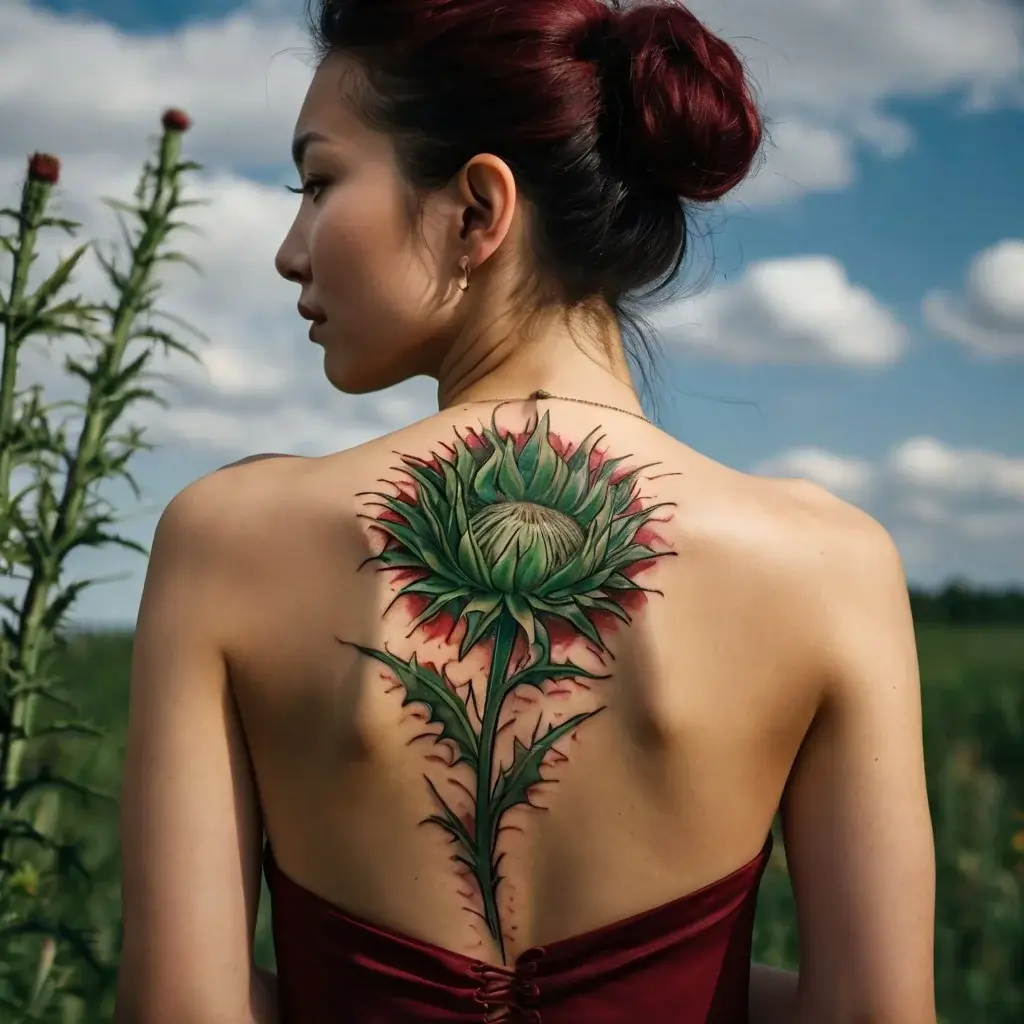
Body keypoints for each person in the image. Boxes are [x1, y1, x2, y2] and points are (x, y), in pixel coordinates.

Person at [114, 0, 937, 1021]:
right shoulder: (831, 563)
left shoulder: (223, 541)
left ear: (476, 210)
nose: (291, 250)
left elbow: (180, 1009)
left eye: (320, 181)